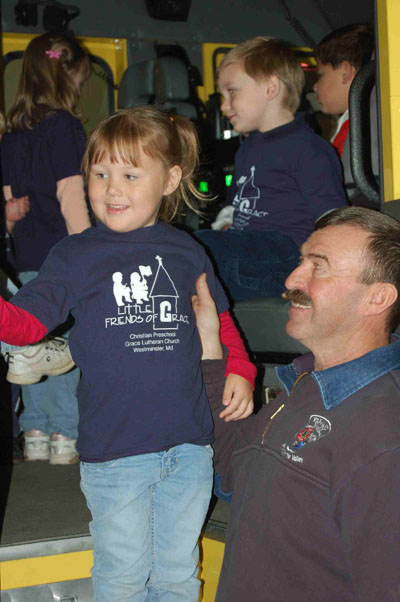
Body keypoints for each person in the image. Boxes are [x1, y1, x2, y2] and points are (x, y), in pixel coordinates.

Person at [0, 106, 255, 601]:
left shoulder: (186, 250)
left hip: (188, 446)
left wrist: (241, 369)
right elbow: (28, 321)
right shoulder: (74, 254)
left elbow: (221, 320)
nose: (112, 188)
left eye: (130, 174)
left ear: (169, 179)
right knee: (121, 576)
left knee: (179, 575)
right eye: (99, 173)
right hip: (116, 453)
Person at [193, 205, 400, 602]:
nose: (291, 279)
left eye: (318, 266)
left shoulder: (384, 435)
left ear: (377, 298)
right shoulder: (305, 386)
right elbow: (237, 471)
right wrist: (210, 351)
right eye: (300, 260)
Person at [195, 37, 347, 302]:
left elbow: (332, 218)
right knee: (186, 248)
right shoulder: (247, 148)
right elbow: (235, 205)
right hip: (247, 250)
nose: (223, 104)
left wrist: (317, 272)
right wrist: (225, 225)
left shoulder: (309, 150)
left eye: (232, 91)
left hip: (285, 257)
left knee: (194, 247)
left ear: (270, 87)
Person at [1, 32, 93, 464]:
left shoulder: (11, 134)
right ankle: (66, 436)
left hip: (23, 258)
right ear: (68, 75)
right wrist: (88, 249)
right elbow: (70, 194)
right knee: (62, 349)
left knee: (28, 346)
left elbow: (7, 200)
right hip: (61, 254)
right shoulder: (66, 127)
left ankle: (34, 433)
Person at [314, 24, 377, 205]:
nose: (315, 86)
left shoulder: (356, 126)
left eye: (321, 75)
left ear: (345, 72)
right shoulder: (353, 121)